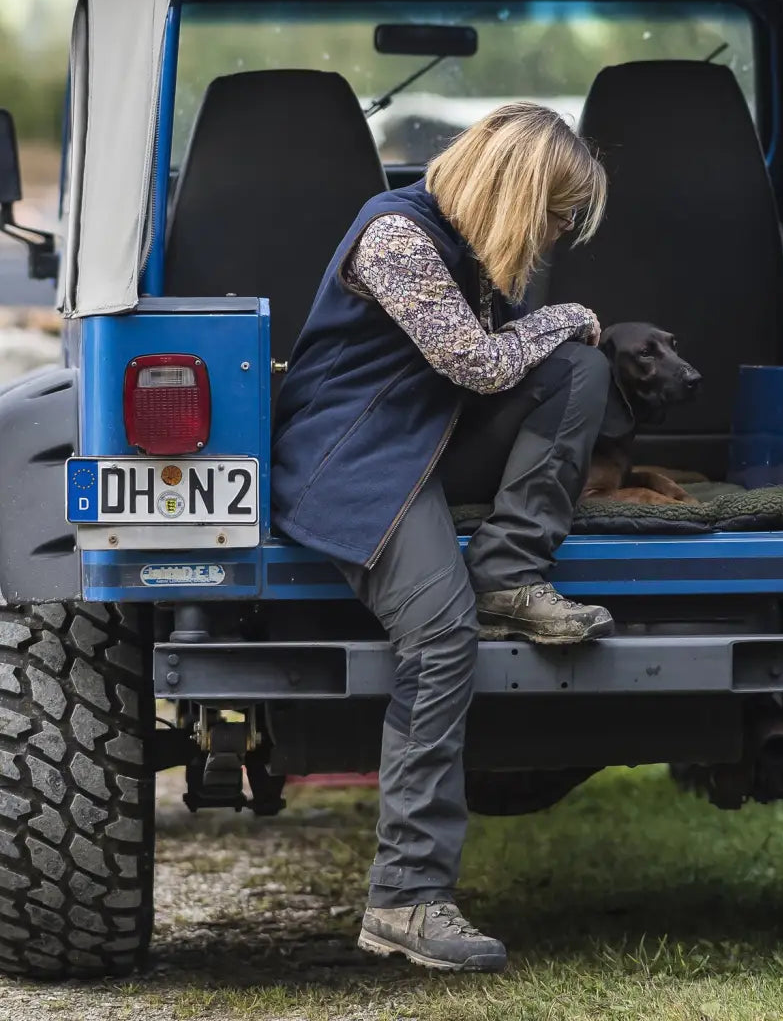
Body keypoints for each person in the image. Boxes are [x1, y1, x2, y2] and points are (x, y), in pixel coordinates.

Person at [271, 103, 611, 972]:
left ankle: (509, 573)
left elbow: (495, 368)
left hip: (428, 432)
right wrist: (566, 312)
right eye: (559, 212)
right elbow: (478, 362)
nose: (561, 232)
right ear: (518, 191)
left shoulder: (483, 249)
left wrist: (559, 327)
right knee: (440, 633)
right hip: (354, 456)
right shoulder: (396, 235)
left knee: (580, 370)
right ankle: (407, 900)